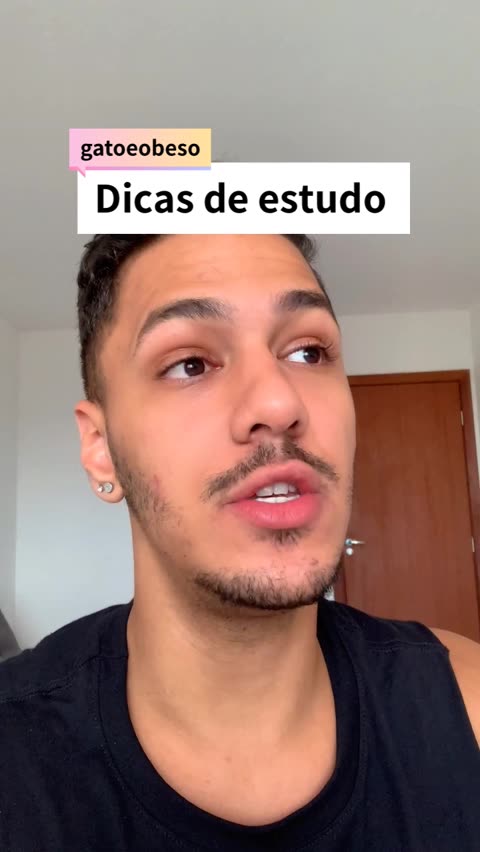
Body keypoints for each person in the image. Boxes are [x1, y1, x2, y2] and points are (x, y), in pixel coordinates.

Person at [1, 234, 479, 851]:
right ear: (101, 448)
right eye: (190, 364)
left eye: (308, 352)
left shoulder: (465, 702)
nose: (280, 402)